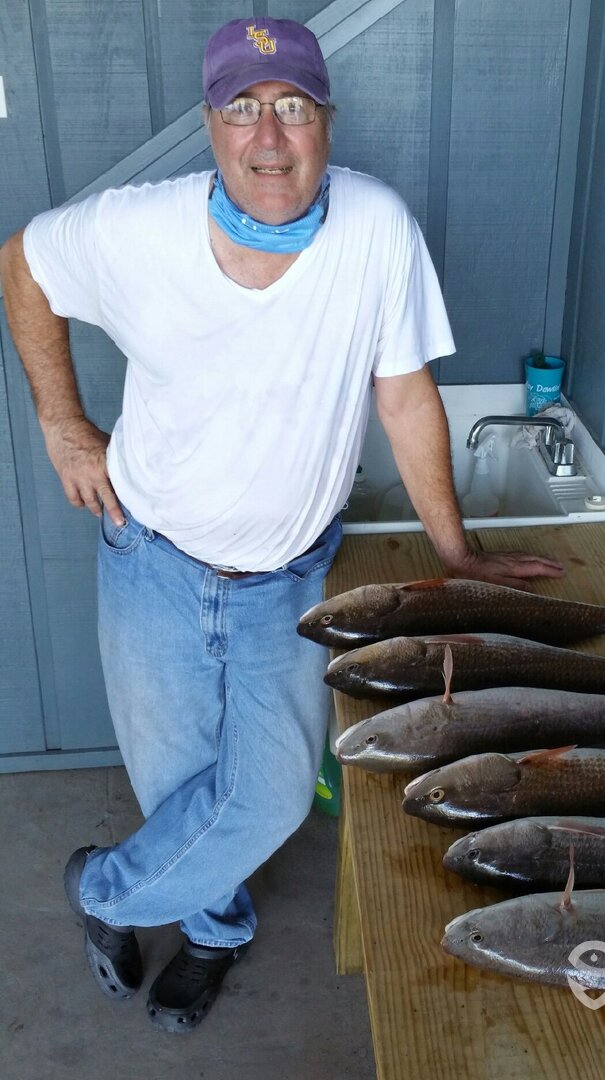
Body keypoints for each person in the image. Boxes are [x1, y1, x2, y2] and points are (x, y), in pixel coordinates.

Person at [0, 17, 565, 1033]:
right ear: (210, 124)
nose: (270, 136)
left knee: (258, 800)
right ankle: (214, 932)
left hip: (284, 584)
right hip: (153, 559)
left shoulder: (376, 229)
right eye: (244, 109)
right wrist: (61, 423)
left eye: (292, 107)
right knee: (178, 791)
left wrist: (458, 556)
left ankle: (103, 894)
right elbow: (22, 265)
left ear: (326, 123)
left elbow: (403, 398)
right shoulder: (137, 230)